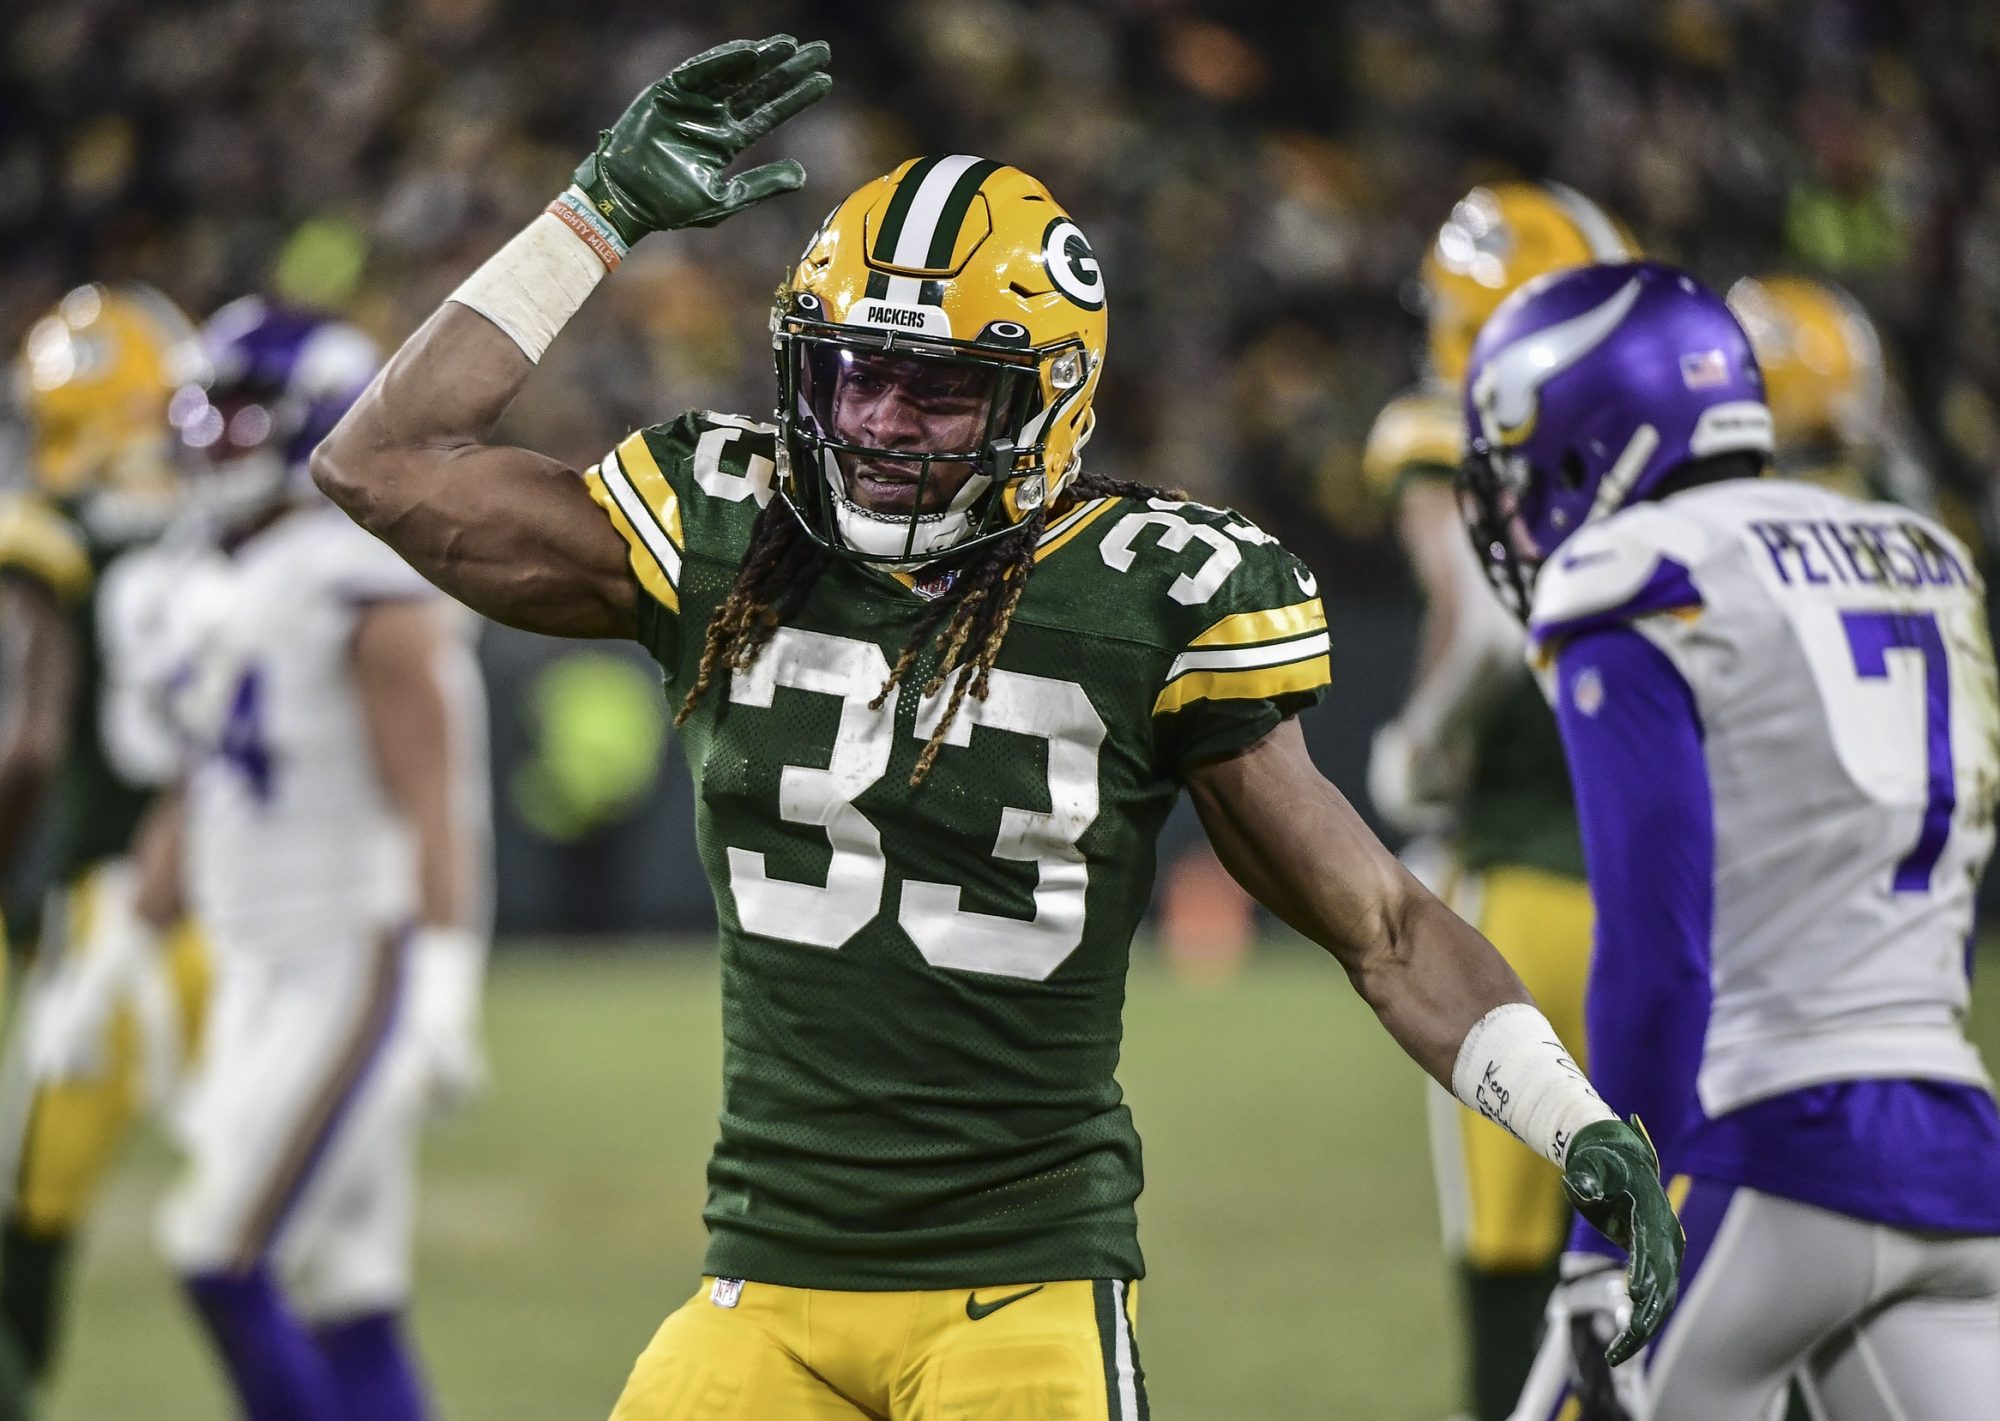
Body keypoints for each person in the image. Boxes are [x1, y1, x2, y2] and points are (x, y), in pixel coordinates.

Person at [311, 36, 1681, 1419]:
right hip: (762, 1290)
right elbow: (378, 461)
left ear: (1051, 398)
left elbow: (1380, 924)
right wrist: (592, 215)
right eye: (858, 374)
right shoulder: (733, 536)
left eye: (941, 387)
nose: (887, 423)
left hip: (1018, 1292)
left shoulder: (1141, 599)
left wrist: (1568, 1119)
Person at [1458, 261, 2000, 1421]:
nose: (1513, 507)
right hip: (1955, 1144)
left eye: (1522, 467)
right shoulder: (1921, 555)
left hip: (1766, 1142)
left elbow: (1656, 951)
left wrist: (1610, 1235)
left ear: (1587, 434)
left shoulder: (1636, 571)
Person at [126, 297, 491, 1421]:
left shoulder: (358, 579)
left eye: (242, 417)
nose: (211, 439)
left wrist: (441, 986)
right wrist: (125, 952)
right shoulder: (216, 573)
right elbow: (203, 778)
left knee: (214, 1249)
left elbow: (435, 803)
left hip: (350, 955)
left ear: (319, 417)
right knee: (347, 1294)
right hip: (254, 957)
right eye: (206, 413)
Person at [1364, 181, 1636, 1421]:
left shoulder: (1444, 422)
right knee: (1664, 1248)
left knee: (1507, 1267)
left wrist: (1416, 748)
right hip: (1658, 892)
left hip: (1516, 894)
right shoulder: (1653, 439)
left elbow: (1474, 619)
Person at [0, 283, 212, 1415]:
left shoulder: (50, 528)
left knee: (30, 1217)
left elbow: (32, 743)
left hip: (106, 915)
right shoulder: (217, 514)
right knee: (265, 1233)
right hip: (238, 909)